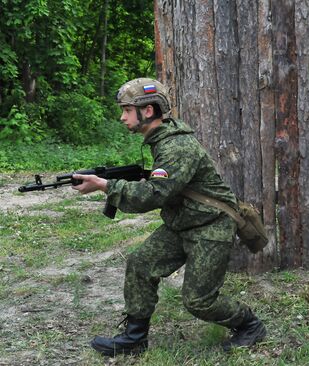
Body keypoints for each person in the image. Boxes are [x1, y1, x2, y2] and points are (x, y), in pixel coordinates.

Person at [71, 78, 266, 356]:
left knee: (199, 301)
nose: (121, 116)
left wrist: (105, 185)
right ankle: (135, 338)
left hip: (210, 226)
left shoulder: (176, 147)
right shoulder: (161, 140)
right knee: (140, 263)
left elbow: (154, 194)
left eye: (127, 110)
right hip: (183, 222)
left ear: (148, 111)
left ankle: (250, 325)